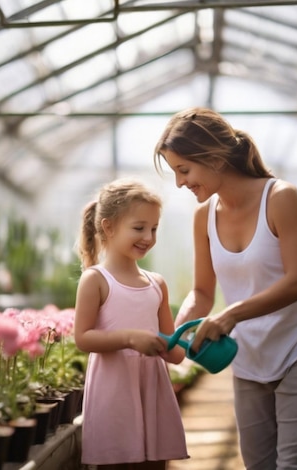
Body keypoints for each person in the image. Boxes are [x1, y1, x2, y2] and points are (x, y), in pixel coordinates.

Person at [153, 107, 297, 470]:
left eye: (184, 170)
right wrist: (177, 332)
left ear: (213, 157)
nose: (180, 183)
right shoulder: (204, 217)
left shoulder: (281, 197)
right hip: (249, 360)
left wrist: (230, 316)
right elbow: (203, 293)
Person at [73, 177, 189, 470]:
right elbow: (83, 338)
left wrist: (189, 343)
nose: (148, 237)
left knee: (154, 464)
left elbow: (173, 352)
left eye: (154, 228)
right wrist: (129, 338)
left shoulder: (156, 284)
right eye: (139, 228)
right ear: (108, 227)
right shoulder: (96, 280)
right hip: (114, 394)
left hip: (152, 391)